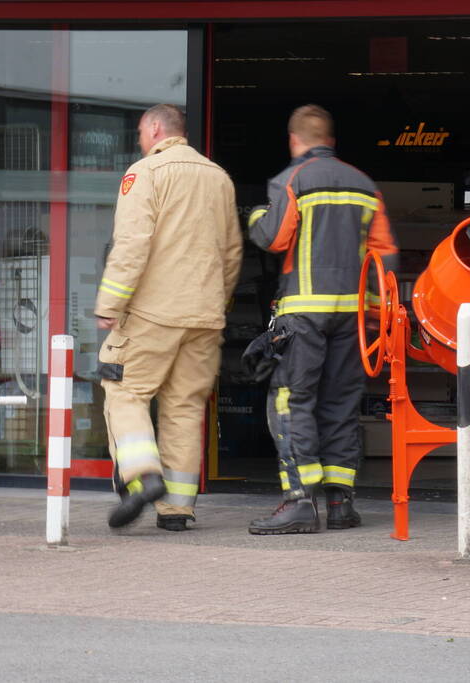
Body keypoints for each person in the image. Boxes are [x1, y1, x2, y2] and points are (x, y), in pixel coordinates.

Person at [247, 105, 398, 534]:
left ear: (294, 140)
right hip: (351, 315)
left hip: (303, 314)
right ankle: (339, 502)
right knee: (340, 402)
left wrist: (256, 216)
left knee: (291, 400)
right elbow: (385, 256)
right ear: (330, 139)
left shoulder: (292, 180)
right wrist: (374, 314)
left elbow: (274, 238)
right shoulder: (366, 186)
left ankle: (299, 501)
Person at [96, 104, 242, 531]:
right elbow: (232, 254)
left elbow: (131, 244)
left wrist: (110, 303)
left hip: (152, 313)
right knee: (184, 407)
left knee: (124, 390)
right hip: (205, 316)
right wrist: (217, 303)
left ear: (156, 129)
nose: (140, 140)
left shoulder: (146, 173)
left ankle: (144, 477)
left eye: (142, 132)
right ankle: (177, 510)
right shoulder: (218, 178)